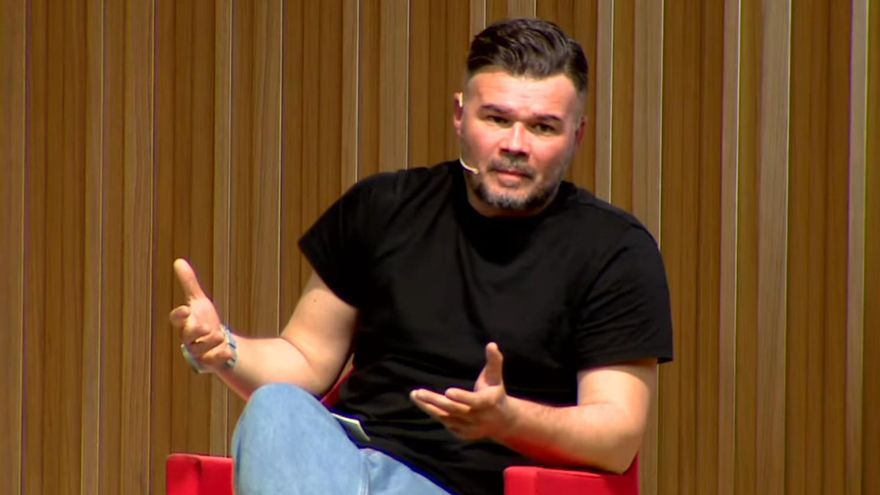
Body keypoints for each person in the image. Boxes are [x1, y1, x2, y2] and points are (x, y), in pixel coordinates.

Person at [170, 17, 673, 495]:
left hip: (471, 484)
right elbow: (303, 361)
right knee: (277, 405)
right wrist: (224, 349)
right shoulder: (383, 209)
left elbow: (616, 438)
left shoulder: (614, 250)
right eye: (497, 119)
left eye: (543, 127)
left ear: (577, 134)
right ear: (460, 115)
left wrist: (508, 419)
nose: (515, 145)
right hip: (350, 467)